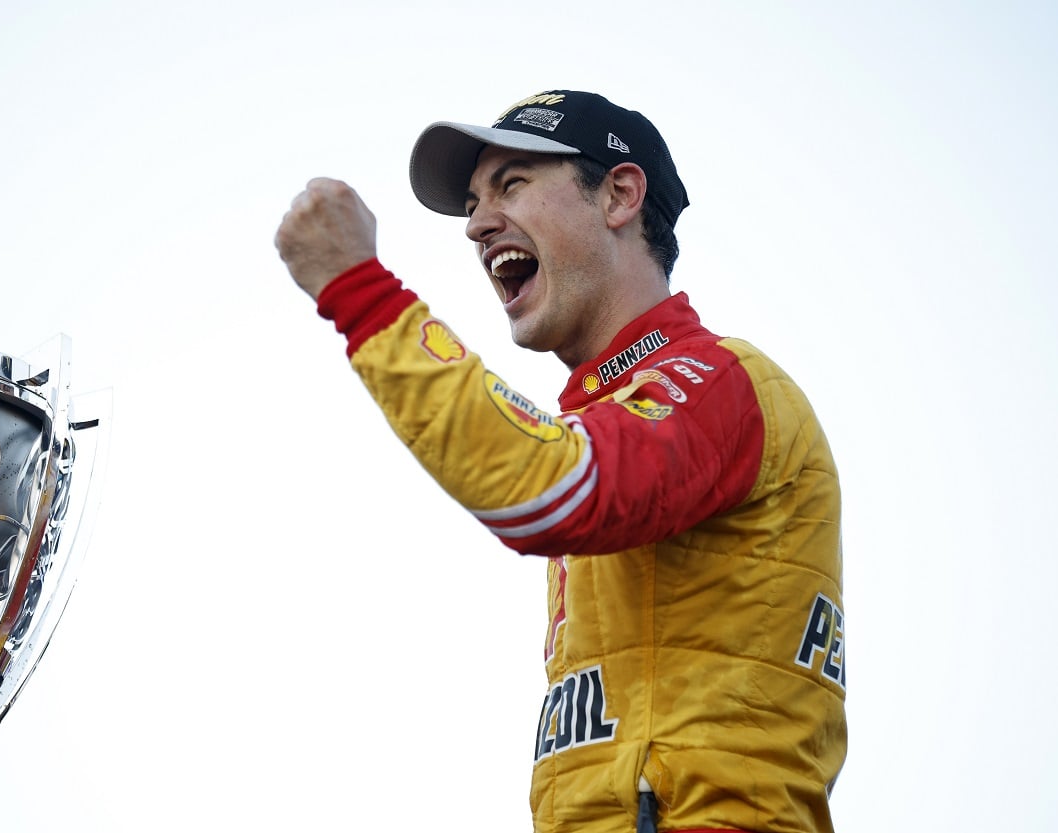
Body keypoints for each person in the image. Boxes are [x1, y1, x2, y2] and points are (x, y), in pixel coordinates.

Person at [275, 89, 846, 833]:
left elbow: (551, 487)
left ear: (619, 194)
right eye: (475, 201)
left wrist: (358, 290)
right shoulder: (615, 413)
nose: (478, 224)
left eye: (512, 183)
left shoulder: (726, 381)